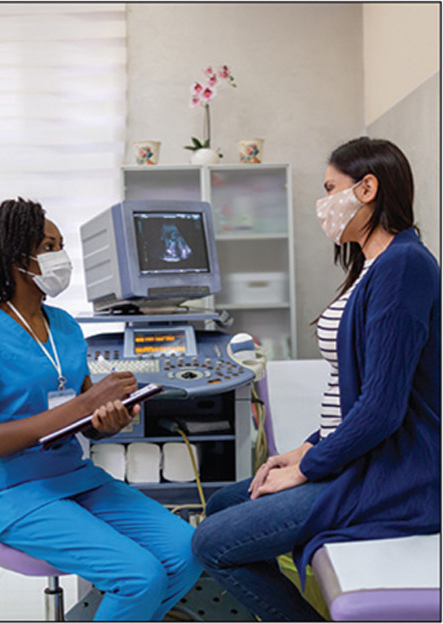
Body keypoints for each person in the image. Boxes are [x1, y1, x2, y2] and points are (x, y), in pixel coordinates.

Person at [191, 137, 441, 621]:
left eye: (331, 188)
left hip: (390, 473)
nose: (323, 204)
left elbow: (382, 408)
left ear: (368, 188)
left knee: (211, 543)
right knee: (224, 503)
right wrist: (305, 449)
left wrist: (308, 468)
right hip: (352, 457)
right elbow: (351, 395)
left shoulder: (404, 266)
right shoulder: (375, 266)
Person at [0, 198, 202, 622]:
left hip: (77, 478)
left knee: (188, 551)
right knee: (139, 576)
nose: (61, 256)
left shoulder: (66, 325)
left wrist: (110, 418)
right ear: (20, 258)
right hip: (15, 492)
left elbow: (89, 424)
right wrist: (84, 404)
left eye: (61, 244)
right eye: (49, 245)